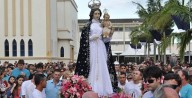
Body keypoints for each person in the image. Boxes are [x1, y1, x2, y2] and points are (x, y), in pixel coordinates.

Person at [75, 1, 117, 96]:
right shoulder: (88, 25)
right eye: (96, 13)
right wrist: (91, 38)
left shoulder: (102, 25)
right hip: (92, 47)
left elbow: (106, 40)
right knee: (93, 64)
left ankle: (104, 89)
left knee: (102, 65)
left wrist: (109, 34)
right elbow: (83, 39)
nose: (97, 15)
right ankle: (91, 88)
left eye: (99, 13)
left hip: (101, 46)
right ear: (92, 14)